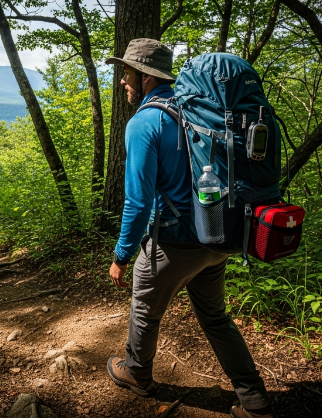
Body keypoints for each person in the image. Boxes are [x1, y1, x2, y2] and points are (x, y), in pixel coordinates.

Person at [104, 38, 274, 418]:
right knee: (215, 317)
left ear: (146, 78)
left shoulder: (145, 121)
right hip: (217, 234)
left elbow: (137, 200)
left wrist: (122, 255)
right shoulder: (199, 111)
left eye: (126, 73)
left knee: (145, 308)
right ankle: (254, 400)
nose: (122, 81)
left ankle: (136, 373)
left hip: (176, 243)